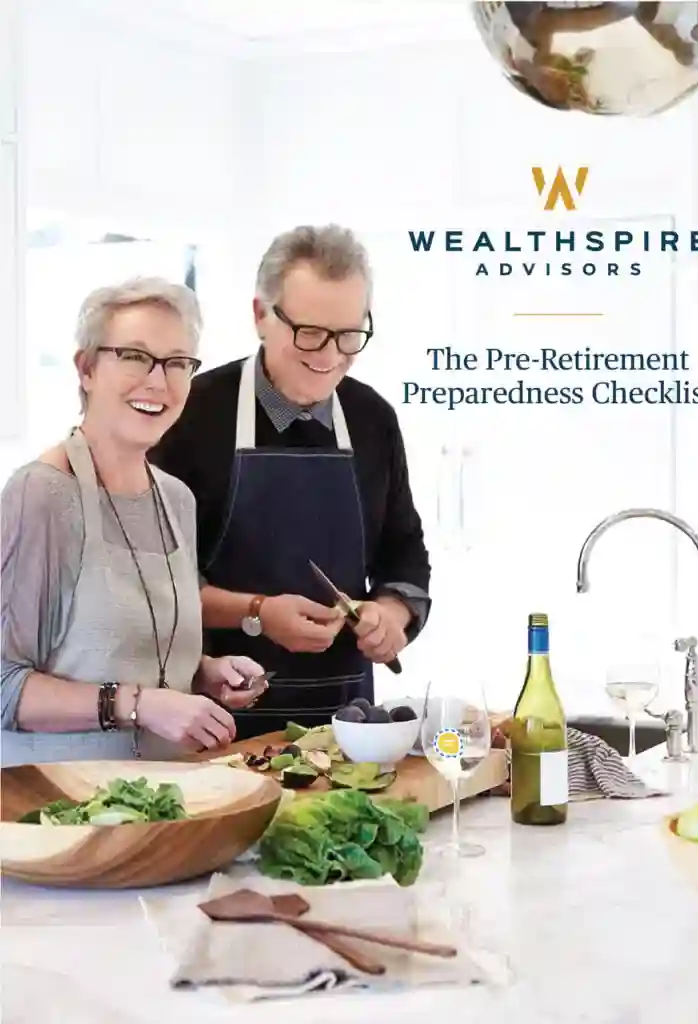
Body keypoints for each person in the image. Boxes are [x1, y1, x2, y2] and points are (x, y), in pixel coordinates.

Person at [150, 224, 432, 738]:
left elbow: (405, 553)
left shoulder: (373, 418)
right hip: (214, 721)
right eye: (309, 333)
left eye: (349, 334)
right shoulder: (190, 413)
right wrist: (256, 613)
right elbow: (153, 584)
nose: (329, 356)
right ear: (261, 315)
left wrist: (391, 616)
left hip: (348, 728)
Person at [1, 278, 269, 767]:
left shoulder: (175, 500)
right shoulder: (41, 494)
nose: (158, 381)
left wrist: (204, 674)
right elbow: (4, 686)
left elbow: (130, 650)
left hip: (163, 804)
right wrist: (142, 705)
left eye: (177, 363)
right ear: (86, 368)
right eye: (134, 356)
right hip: (58, 814)